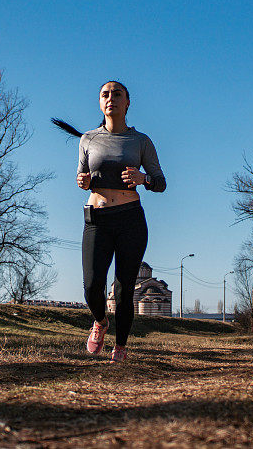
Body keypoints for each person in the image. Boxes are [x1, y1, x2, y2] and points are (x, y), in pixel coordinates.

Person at [52, 80, 166, 363]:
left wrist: (144, 179)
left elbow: (161, 182)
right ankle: (100, 322)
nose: (111, 98)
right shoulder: (87, 139)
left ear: (128, 103)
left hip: (130, 219)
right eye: (105, 94)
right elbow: (82, 178)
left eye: (117, 94)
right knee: (92, 285)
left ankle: (121, 347)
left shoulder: (141, 141)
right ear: (100, 103)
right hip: (97, 219)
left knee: (124, 287)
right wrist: (83, 181)